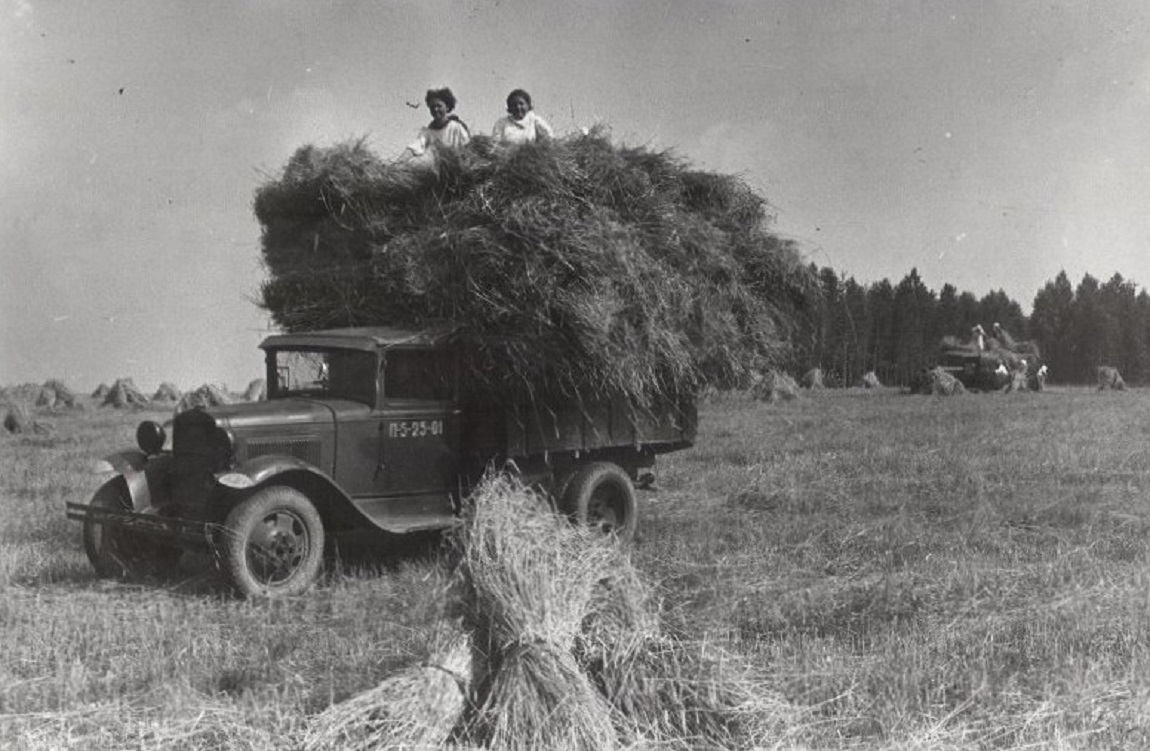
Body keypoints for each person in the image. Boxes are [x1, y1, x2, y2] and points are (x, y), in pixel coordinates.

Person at [406, 87, 470, 158]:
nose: (435, 109)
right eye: (432, 107)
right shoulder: (427, 132)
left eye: (439, 106)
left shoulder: (456, 128)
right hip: (435, 167)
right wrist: (397, 164)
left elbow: (467, 149)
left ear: (447, 107)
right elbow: (414, 148)